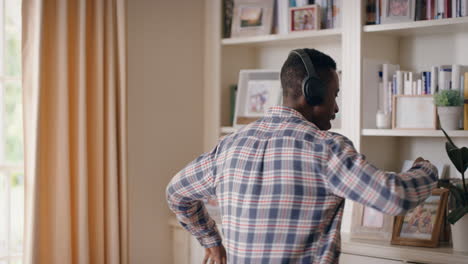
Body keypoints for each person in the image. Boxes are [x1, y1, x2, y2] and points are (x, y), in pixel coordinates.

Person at [166, 48, 438, 264]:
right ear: (313, 92)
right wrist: (425, 170)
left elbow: (176, 193)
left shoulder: (228, 146)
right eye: (335, 95)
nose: (336, 107)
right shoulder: (326, 149)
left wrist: (211, 241)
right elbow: (395, 197)